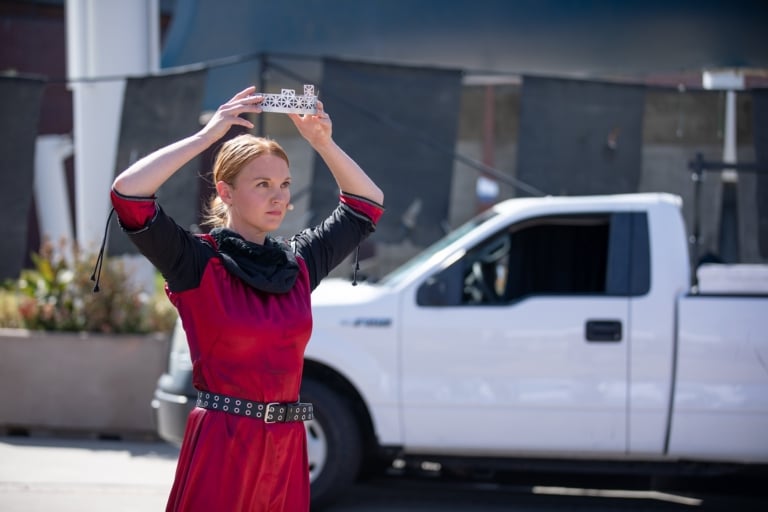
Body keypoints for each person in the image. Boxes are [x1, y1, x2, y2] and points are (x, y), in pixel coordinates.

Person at [109, 85, 384, 511]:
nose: (279, 196)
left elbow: (366, 205)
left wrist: (322, 142)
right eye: (262, 184)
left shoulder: (299, 263)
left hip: (286, 450)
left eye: (285, 184)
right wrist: (206, 137)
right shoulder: (196, 262)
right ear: (226, 191)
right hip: (223, 447)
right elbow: (129, 194)